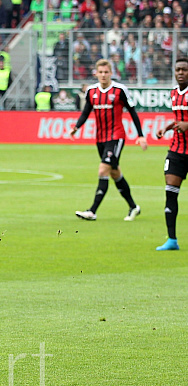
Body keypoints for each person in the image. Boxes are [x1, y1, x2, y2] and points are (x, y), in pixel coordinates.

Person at [67, 59, 147, 221]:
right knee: (115, 173)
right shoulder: (91, 91)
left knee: (103, 170)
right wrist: (76, 127)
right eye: (100, 72)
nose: (103, 75)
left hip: (116, 137)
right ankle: (133, 207)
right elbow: (86, 112)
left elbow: (132, 112)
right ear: (96, 73)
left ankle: (92, 211)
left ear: (111, 73)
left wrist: (140, 135)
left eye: (106, 72)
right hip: (100, 138)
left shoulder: (119, 90)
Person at [155, 58, 188, 251]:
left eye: (184, 69)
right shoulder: (174, 93)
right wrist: (167, 128)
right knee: (170, 193)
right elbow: (179, 119)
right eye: (178, 70)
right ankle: (172, 240)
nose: (181, 73)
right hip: (177, 150)